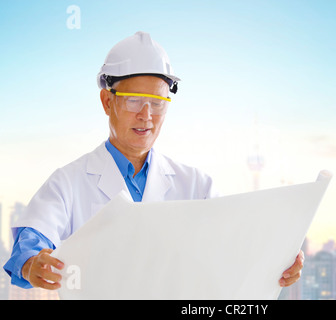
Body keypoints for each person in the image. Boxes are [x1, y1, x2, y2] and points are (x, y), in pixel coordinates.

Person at [3, 31, 303, 292]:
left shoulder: (197, 185)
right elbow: (32, 241)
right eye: (134, 100)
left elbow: (236, 246)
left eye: (158, 103)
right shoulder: (69, 182)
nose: (146, 116)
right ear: (108, 102)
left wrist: (279, 260)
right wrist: (32, 264)